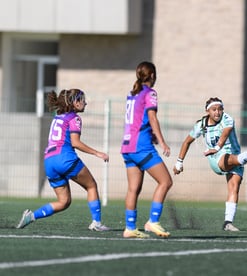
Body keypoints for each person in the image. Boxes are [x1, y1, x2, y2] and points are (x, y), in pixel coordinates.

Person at [16, 89, 110, 231]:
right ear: (74, 102)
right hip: (65, 159)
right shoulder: (74, 118)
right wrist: (97, 153)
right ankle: (96, 223)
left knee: (64, 201)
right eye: (82, 99)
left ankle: (32, 216)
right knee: (91, 186)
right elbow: (75, 143)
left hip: (49, 161)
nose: (85, 102)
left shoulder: (58, 116)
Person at [173, 97, 247, 231]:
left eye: (220, 109)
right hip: (216, 159)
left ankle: (228, 223)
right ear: (207, 111)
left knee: (234, 187)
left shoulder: (227, 118)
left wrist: (217, 146)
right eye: (214, 110)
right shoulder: (201, 125)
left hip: (235, 156)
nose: (217, 112)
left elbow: (225, 133)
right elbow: (186, 142)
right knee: (226, 159)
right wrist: (179, 162)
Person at [121, 61, 173, 238]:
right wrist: (162, 141)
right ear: (152, 75)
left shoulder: (132, 93)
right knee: (165, 182)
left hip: (127, 146)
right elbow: (152, 117)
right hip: (141, 147)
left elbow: (136, 118)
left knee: (133, 189)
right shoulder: (150, 93)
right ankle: (153, 221)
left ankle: (130, 228)